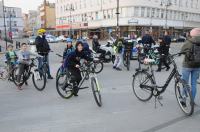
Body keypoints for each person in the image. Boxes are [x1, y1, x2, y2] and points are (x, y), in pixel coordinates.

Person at [181, 28, 200, 105]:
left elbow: (182, 51)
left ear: (192, 34)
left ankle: (183, 99)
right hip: (198, 65)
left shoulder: (189, 41)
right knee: (194, 84)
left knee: (185, 83)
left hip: (187, 65)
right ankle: (192, 101)